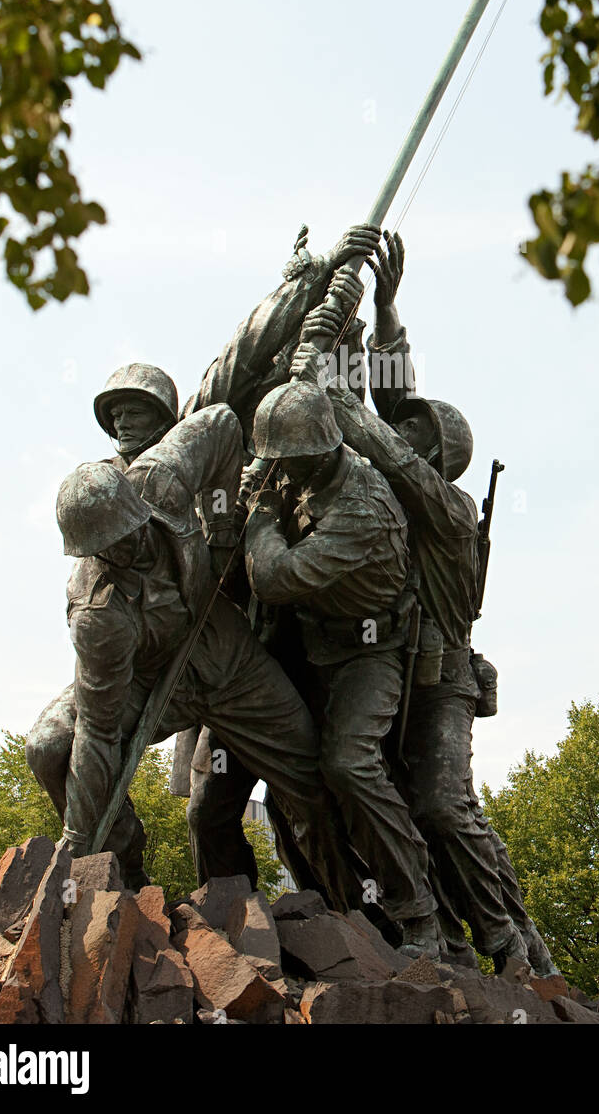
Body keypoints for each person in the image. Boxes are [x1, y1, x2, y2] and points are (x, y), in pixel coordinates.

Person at [289, 233, 557, 975]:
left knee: (443, 807)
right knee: (399, 801)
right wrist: (384, 309)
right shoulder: (398, 493)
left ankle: (509, 937)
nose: (399, 428)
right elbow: (392, 406)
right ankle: (449, 930)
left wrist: (330, 366)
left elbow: (376, 428)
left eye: (414, 430)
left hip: (443, 681)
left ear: (433, 453)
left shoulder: (443, 504)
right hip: (403, 670)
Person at [25, 404, 358, 908]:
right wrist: (80, 843)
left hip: (229, 663)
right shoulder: (98, 615)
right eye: (111, 547)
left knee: (310, 775)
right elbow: (98, 733)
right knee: (50, 743)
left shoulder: (160, 477)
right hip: (151, 682)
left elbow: (224, 424)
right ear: (92, 551)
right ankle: (123, 871)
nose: (130, 547)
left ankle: (354, 910)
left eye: (131, 530)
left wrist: (223, 529)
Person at [242, 380, 441, 958]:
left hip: (367, 653)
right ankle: (340, 907)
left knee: (349, 763)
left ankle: (417, 912)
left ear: (321, 448)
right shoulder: (302, 468)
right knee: (290, 784)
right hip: (309, 645)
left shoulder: (361, 505)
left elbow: (275, 578)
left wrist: (259, 521)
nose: (280, 471)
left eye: (288, 462)